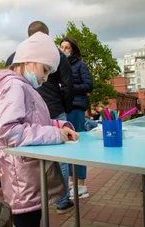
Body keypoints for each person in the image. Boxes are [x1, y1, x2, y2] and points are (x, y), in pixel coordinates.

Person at [0, 32, 79, 227]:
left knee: (33, 219)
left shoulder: (25, 87)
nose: (45, 77)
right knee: (27, 222)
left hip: (28, 177)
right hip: (22, 181)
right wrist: (55, 134)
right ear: (28, 61)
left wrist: (61, 126)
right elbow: (9, 130)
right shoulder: (15, 86)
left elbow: (36, 122)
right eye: (45, 69)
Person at [59, 37, 93, 199]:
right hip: (63, 107)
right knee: (68, 145)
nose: (64, 50)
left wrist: (69, 87)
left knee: (78, 144)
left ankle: (82, 185)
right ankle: (71, 182)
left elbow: (88, 85)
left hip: (77, 107)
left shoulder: (80, 65)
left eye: (67, 47)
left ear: (73, 49)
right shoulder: (58, 65)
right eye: (62, 47)